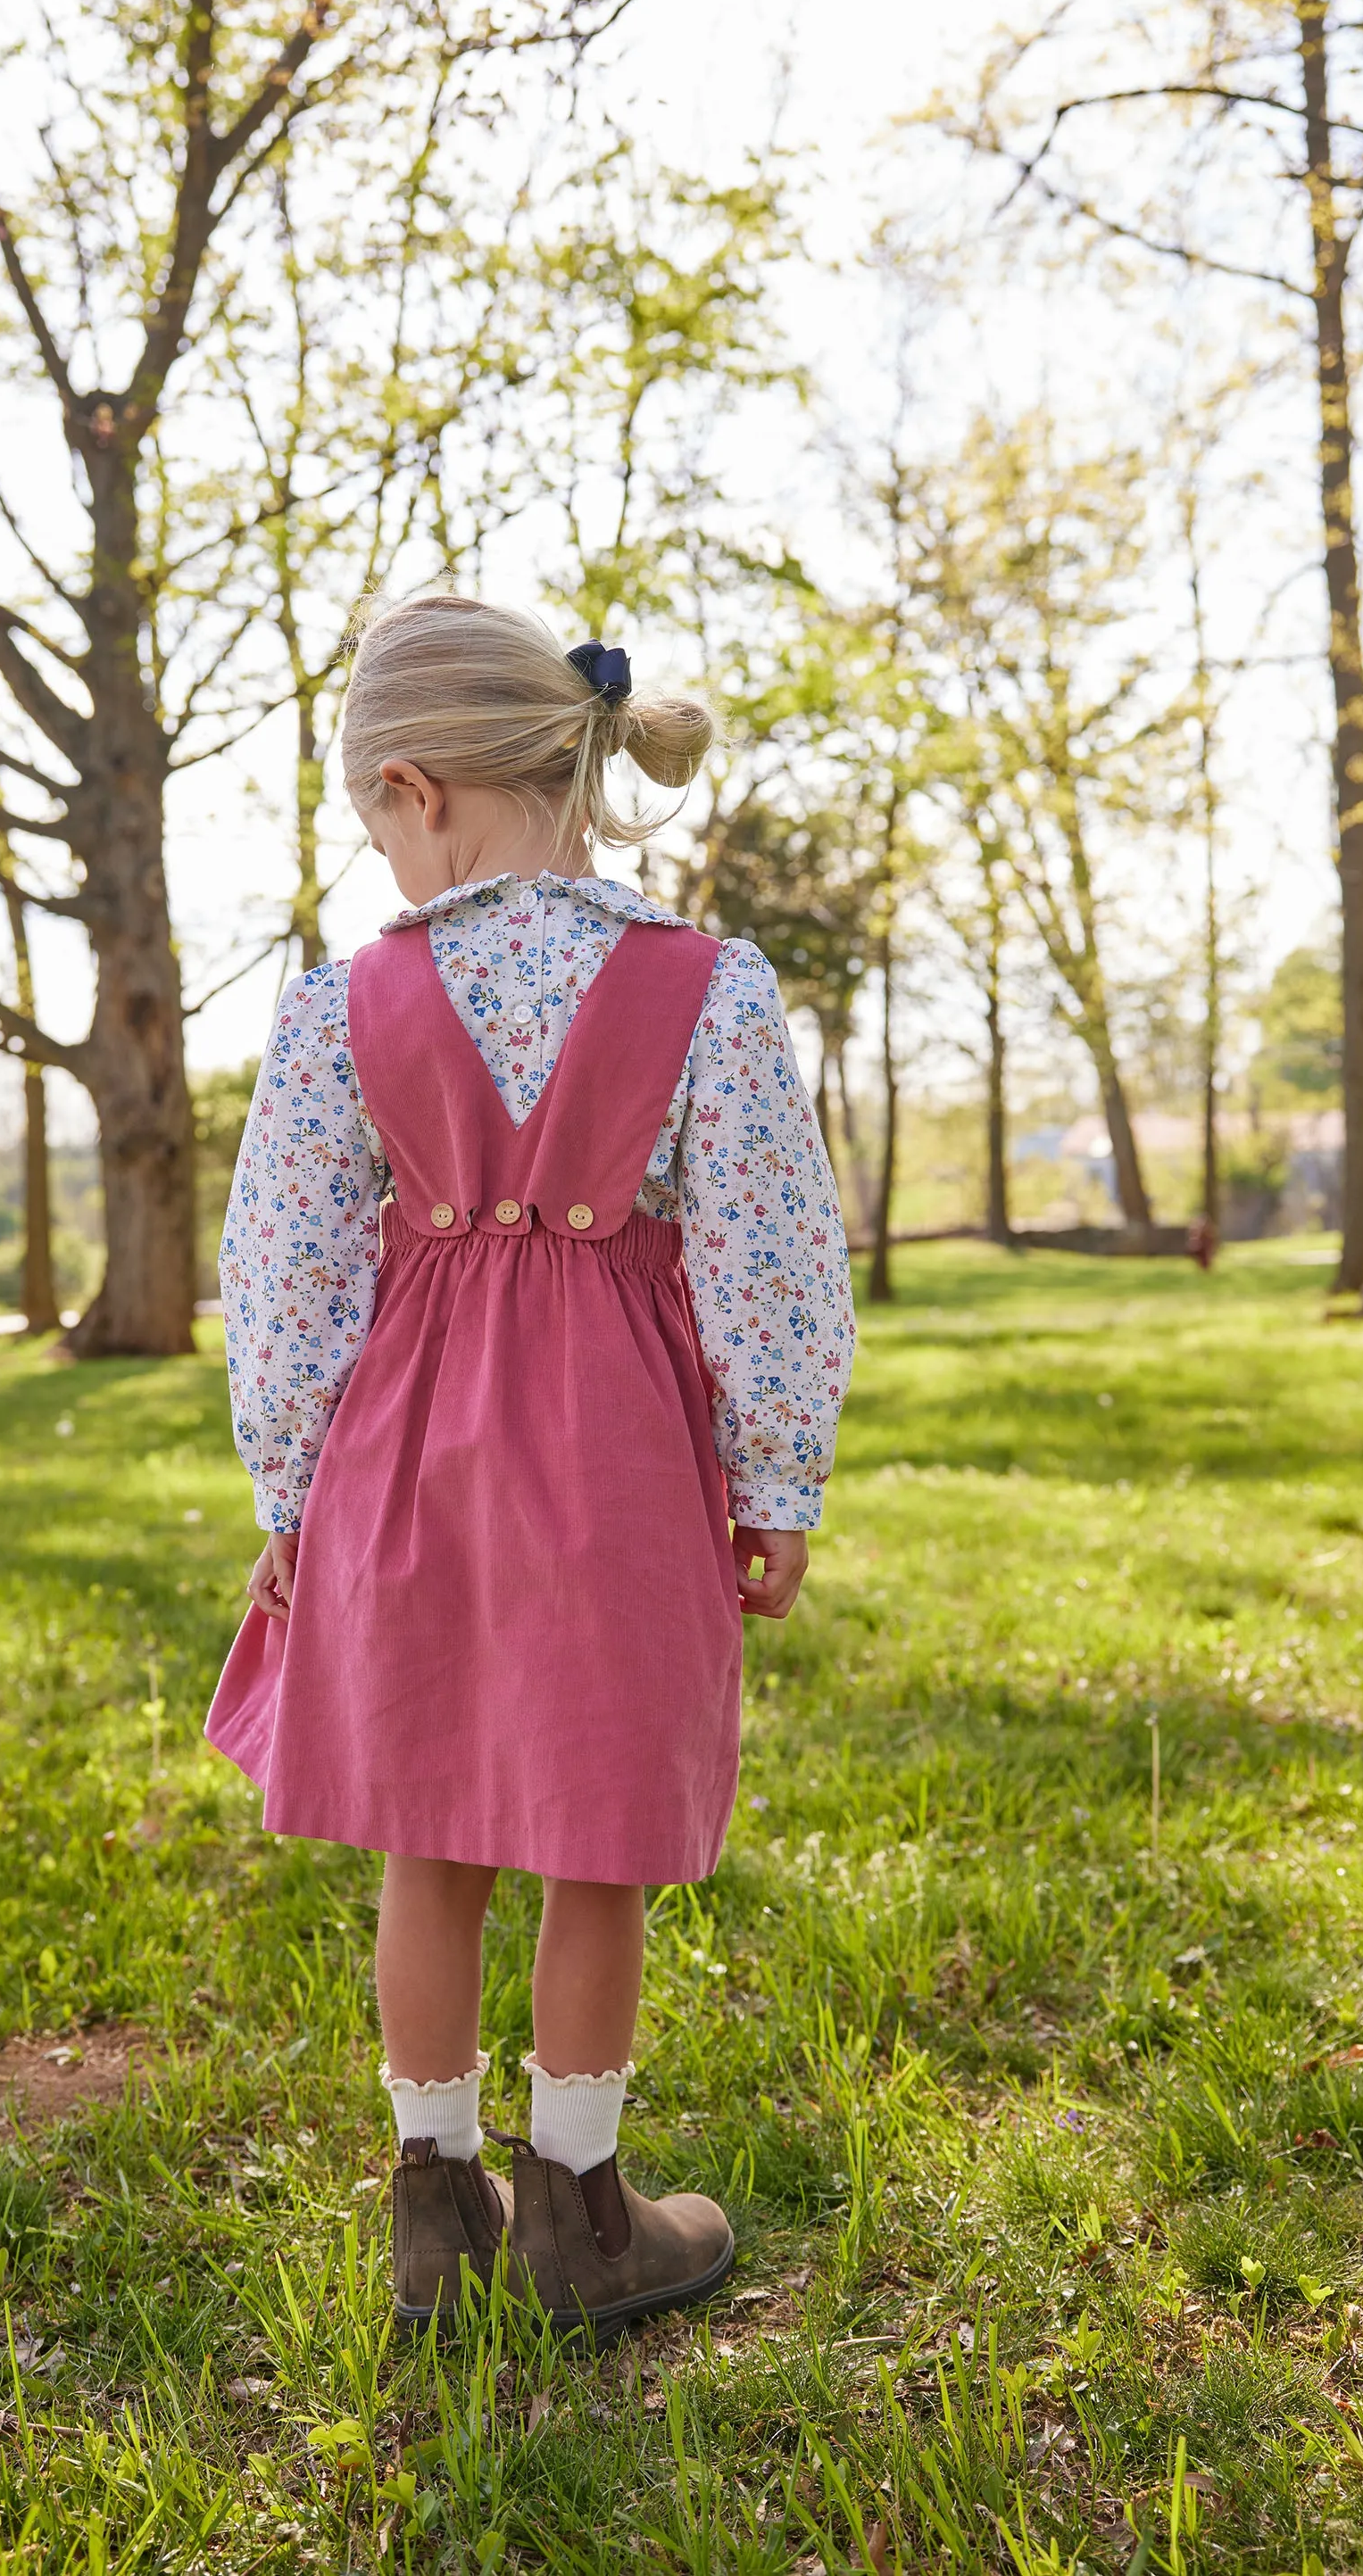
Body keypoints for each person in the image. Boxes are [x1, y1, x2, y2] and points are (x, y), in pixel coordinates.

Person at [206, 594, 853, 2335]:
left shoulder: (342, 1003)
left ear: (415, 790)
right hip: (621, 1472)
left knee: (427, 1840)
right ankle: (578, 2212)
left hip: (402, 1471)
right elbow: (770, 1254)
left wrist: (292, 1493)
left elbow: (282, 1276)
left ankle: (435, 2207)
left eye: (373, 832)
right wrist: (774, 1478)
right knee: (591, 1849)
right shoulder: (705, 986)